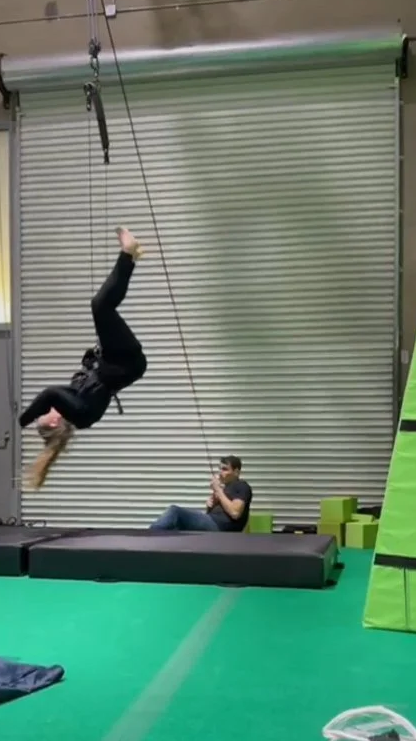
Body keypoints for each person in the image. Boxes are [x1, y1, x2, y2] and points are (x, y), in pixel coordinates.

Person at [19, 226, 148, 489]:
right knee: (100, 306)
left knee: (103, 307)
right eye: (43, 415)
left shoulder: (76, 406)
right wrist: (19, 422)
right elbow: (49, 395)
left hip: (116, 360)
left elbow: (83, 379)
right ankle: (128, 253)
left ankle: (130, 256)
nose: (44, 412)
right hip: (125, 363)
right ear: (53, 420)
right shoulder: (79, 413)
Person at [150, 455, 252, 532]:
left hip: (220, 527)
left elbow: (235, 513)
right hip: (213, 522)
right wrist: (210, 506)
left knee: (175, 511)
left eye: (225, 469)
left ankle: (150, 536)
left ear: (236, 472)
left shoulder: (242, 486)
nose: (220, 472)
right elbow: (213, 513)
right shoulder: (225, 489)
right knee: (174, 528)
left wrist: (218, 490)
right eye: (220, 469)